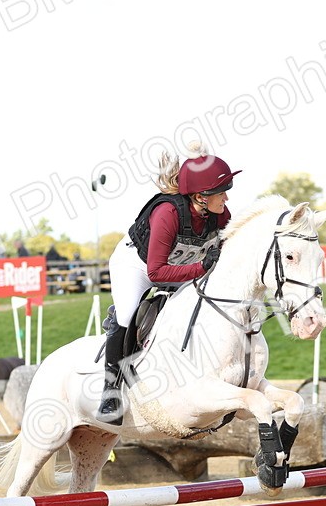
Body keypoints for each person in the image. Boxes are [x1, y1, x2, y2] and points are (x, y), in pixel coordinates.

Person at [97, 145, 239, 424]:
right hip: (137, 267)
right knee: (127, 314)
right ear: (200, 196)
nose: (226, 196)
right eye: (221, 191)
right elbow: (157, 271)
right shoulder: (167, 213)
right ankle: (110, 390)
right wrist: (201, 267)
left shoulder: (220, 214)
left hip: (178, 268)